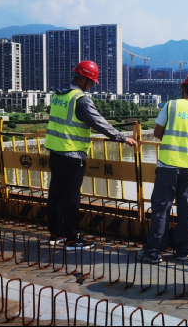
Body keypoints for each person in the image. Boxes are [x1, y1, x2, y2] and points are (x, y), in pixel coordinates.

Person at [45, 61, 137, 250]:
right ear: (82, 79)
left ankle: (55, 233)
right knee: (71, 198)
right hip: (72, 154)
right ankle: (71, 239)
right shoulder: (80, 99)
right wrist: (122, 138)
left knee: (55, 193)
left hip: (55, 151)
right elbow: (99, 122)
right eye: (91, 82)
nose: (92, 86)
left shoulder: (58, 94)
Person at [138, 73, 188, 263]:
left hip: (167, 165)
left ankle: (154, 251)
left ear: (183, 88)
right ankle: (183, 250)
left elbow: (158, 132)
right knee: (186, 209)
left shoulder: (171, 105)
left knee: (161, 208)